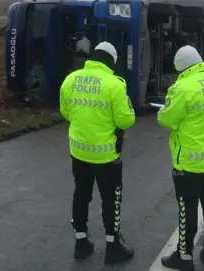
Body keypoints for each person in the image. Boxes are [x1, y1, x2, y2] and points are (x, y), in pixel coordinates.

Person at [157, 45, 204, 270]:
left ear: (181, 67)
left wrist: (164, 110)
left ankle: (184, 255)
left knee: (187, 209)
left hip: (188, 162)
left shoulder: (181, 88)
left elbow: (167, 120)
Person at [59, 41, 136, 264]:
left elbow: (66, 111)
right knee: (111, 199)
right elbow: (126, 120)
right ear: (111, 61)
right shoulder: (114, 84)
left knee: (81, 194)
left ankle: (81, 243)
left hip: (79, 152)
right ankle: (113, 247)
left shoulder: (71, 79)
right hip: (106, 156)